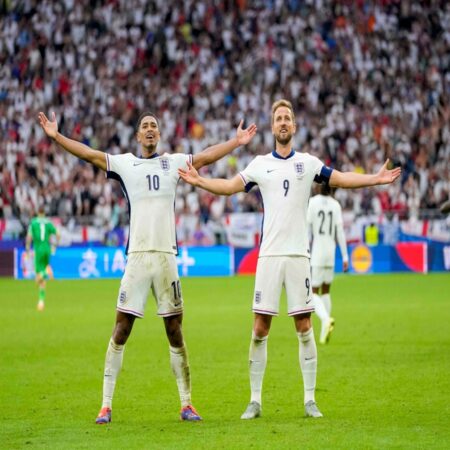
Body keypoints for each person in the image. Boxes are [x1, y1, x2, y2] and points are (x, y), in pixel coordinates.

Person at [178, 99, 401, 420]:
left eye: (288, 118)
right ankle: (254, 401)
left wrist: (375, 179)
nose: (283, 122)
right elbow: (229, 186)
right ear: (273, 127)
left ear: (294, 127)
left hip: (299, 256)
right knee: (259, 327)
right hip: (269, 257)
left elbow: (339, 178)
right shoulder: (259, 164)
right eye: (278, 118)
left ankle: (310, 400)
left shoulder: (308, 163)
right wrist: (200, 182)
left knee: (305, 325)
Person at [37, 110, 257, 424]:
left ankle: (186, 404)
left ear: (159, 134)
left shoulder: (175, 162)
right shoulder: (126, 163)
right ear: (138, 136)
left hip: (167, 258)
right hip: (138, 258)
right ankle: (106, 405)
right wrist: (57, 137)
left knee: (175, 330)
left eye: (154, 125)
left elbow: (206, 156)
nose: (150, 129)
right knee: (121, 329)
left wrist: (236, 142)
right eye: (145, 126)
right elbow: (89, 154)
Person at [307, 184, 348, 345]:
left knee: (313, 292)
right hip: (331, 252)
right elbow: (340, 232)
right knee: (326, 291)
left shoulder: (312, 202)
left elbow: (307, 230)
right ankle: (325, 330)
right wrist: (345, 256)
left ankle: (325, 320)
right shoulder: (335, 204)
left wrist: (305, 250)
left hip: (317, 252)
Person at [25, 204, 60, 311]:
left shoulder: (34, 222)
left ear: (37, 213)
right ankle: (41, 302)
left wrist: (27, 248)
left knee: (38, 278)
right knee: (41, 279)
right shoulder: (49, 222)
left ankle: (47, 272)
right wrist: (54, 246)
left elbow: (29, 237)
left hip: (38, 250)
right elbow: (58, 234)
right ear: (44, 213)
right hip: (47, 249)